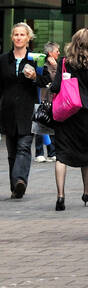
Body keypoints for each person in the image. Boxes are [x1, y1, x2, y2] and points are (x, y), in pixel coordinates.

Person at [49, 28, 88, 211]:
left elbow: (56, 86)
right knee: (85, 154)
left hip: (66, 114)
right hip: (86, 114)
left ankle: (60, 195)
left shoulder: (64, 62)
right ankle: (86, 191)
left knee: (62, 155)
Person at [0, 22, 40, 198]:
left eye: (22, 35)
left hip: (27, 109)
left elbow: (46, 80)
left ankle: (20, 181)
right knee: (12, 151)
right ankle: (15, 187)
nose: (18, 37)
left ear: (28, 38)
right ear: (12, 37)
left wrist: (35, 77)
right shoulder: (3, 60)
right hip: (7, 110)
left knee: (24, 147)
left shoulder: (36, 58)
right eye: (16, 34)